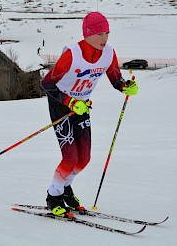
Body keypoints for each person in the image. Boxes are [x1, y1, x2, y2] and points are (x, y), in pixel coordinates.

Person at [40, 12, 138, 218]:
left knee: (83, 159)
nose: (105, 38)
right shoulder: (72, 54)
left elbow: (115, 78)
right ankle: (53, 196)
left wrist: (125, 86)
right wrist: (70, 102)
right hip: (61, 105)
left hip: (82, 106)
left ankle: (65, 188)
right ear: (88, 34)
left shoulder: (109, 53)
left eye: (107, 33)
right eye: (100, 33)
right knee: (69, 158)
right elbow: (47, 83)